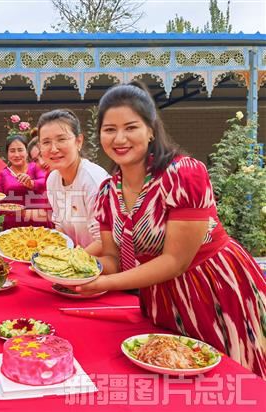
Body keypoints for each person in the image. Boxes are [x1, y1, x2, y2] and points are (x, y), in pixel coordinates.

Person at [76, 82, 266, 378]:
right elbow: (112, 258)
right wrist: (76, 270)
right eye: (109, 129)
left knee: (231, 380)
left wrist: (104, 283)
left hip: (213, 289)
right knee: (173, 377)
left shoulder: (183, 174)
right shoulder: (107, 192)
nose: (119, 138)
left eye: (131, 127)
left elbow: (176, 261)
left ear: (151, 130)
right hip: (162, 298)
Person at [37, 109, 109, 254]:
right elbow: (60, 227)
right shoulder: (53, 179)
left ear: (78, 141)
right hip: (75, 257)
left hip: (102, 263)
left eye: (61, 139)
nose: (53, 149)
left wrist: (69, 261)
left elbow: (104, 241)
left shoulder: (94, 181)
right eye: (46, 142)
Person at [0, 134, 50, 228]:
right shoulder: (2, 174)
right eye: (12, 151)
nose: (16, 155)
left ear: (27, 152)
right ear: (7, 154)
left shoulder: (36, 166)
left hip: (39, 221)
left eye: (20, 150)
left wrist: (32, 183)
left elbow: (45, 182)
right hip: (13, 224)